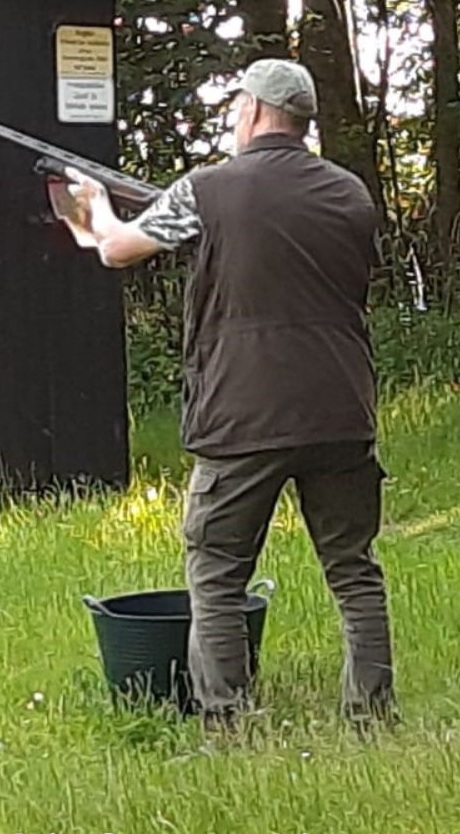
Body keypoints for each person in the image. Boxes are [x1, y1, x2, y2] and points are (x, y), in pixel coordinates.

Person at [48, 59, 394, 730]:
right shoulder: (351, 193)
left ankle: (227, 723)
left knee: (217, 574)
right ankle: (373, 716)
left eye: (238, 105)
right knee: (354, 570)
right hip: (341, 407)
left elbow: (116, 249)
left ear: (255, 110)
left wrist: (89, 205)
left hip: (243, 412)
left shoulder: (207, 189)